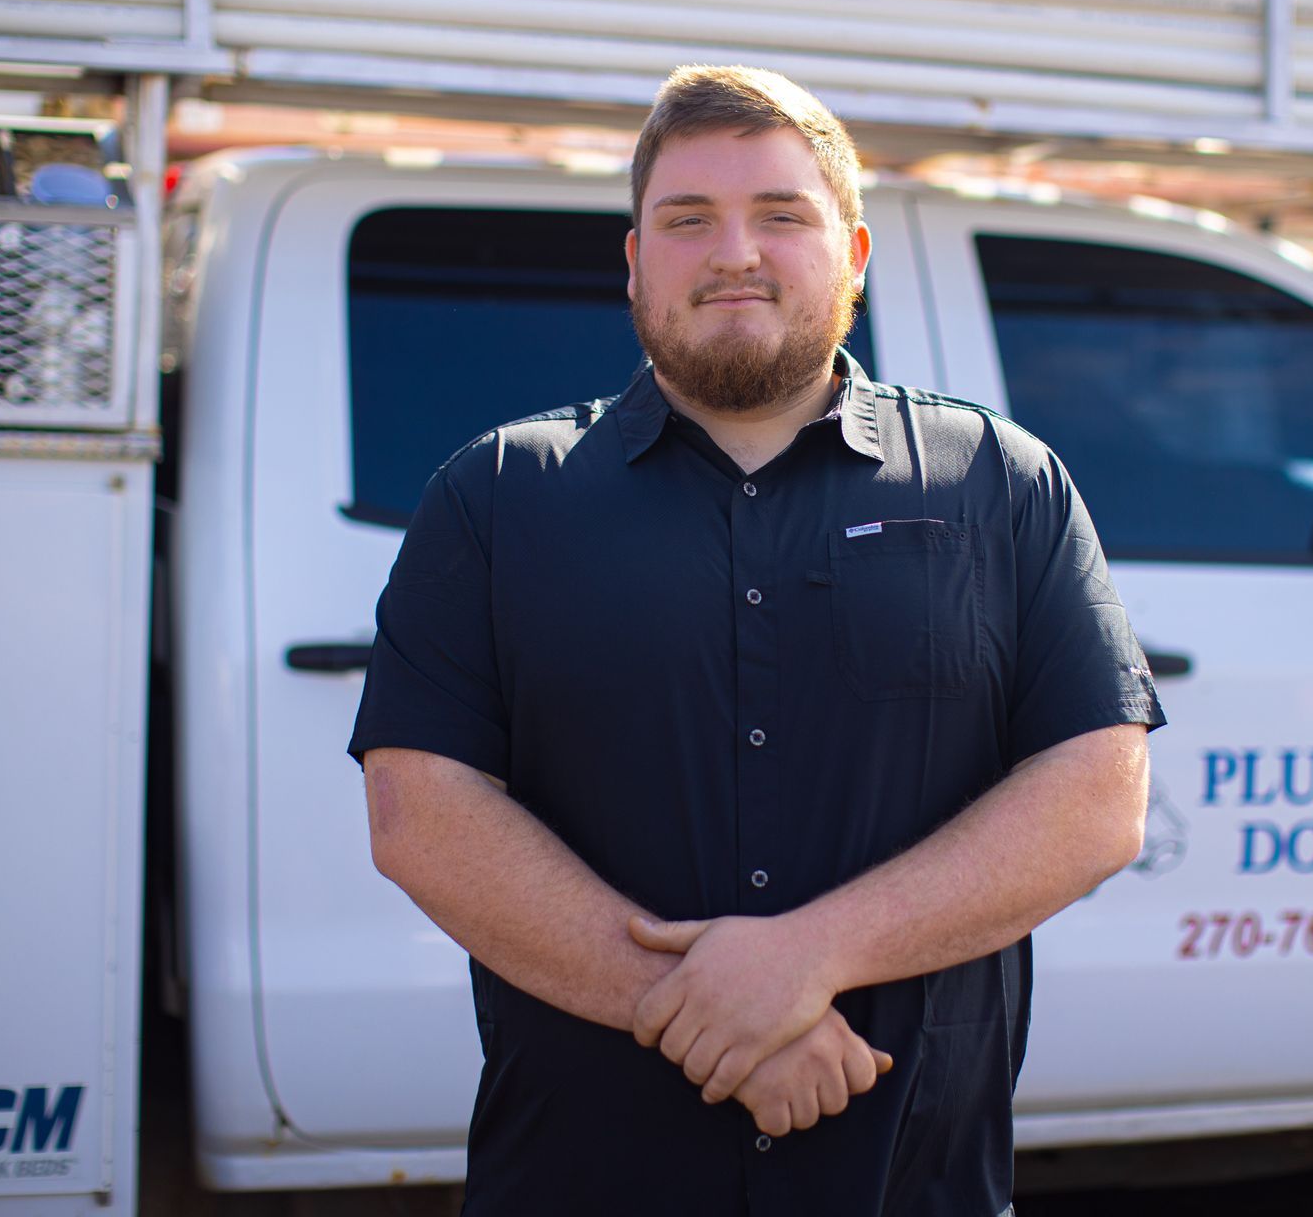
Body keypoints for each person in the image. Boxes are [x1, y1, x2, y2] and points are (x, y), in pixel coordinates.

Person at [348, 64, 1165, 1217]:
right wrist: (713, 1008)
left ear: (856, 254)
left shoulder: (1000, 482)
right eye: (689, 220)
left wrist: (809, 955)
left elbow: (1095, 796)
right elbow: (421, 812)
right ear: (635, 261)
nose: (735, 251)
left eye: (782, 214)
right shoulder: (495, 496)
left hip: (910, 1179)